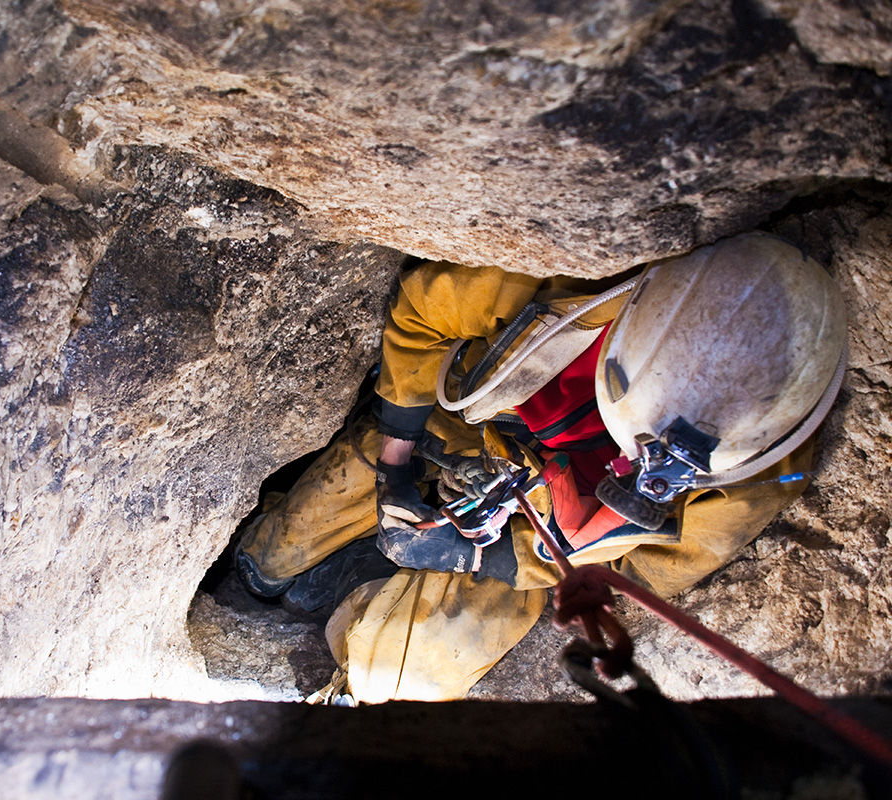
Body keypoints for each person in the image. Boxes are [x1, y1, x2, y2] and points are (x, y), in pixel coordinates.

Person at [235, 232, 847, 704]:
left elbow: (650, 567)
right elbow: (422, 315)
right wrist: (398, 458)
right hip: (467, 439)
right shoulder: (574, 288)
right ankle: (292, 574)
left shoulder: (767, 460)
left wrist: (486, 558)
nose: (639, 461)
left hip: (539, 544)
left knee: (401, 677)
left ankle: (361, 594)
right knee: (276, 551)